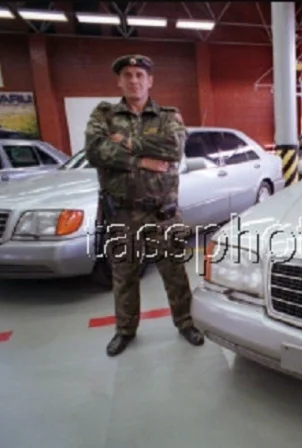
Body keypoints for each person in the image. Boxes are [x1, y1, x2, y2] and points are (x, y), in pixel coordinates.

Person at [84, 54, 204, 357]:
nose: (134, 80)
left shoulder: (167, 116)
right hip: (122, 213)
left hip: (163, 212)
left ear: (150, 81)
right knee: (124, 276)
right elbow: (94, 151)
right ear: (119, 81)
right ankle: (125, 330)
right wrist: (140, 160)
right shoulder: (105, 115)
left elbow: (173, 149)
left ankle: (186, 322)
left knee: (175, 272)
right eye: (127, 75)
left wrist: (125, 142)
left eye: (140, 75)